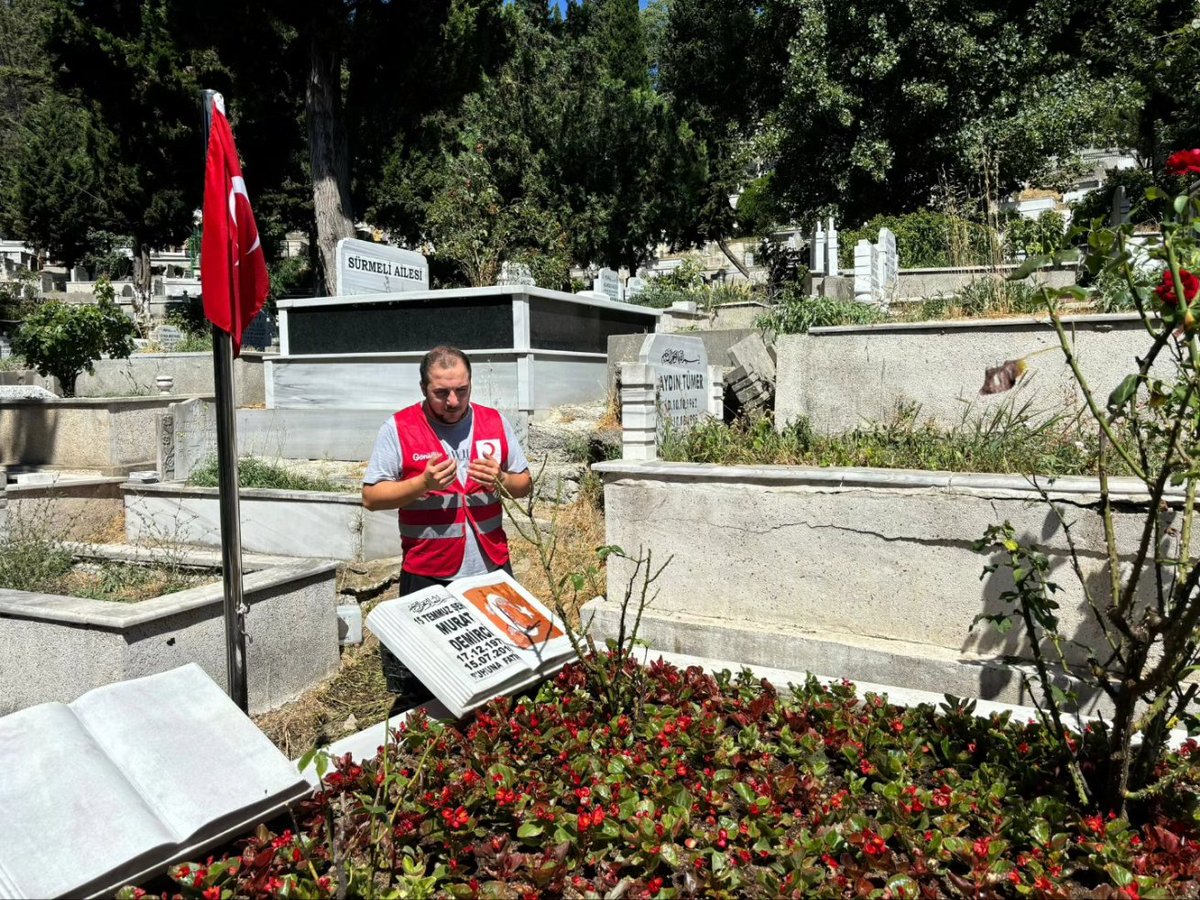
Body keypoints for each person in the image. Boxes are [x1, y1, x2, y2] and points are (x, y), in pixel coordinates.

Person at [362, 345, 533, 701]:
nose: (453, 401)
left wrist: (501, 478)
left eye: (462, 390)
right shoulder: (399, 428)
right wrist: (422, 484)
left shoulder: (494, 422)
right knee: (431, 673)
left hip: (491, 564)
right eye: (441, 393)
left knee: (503, 661)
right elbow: (372, 498)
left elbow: (524, 485)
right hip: (429, 569)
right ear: (423, 388)